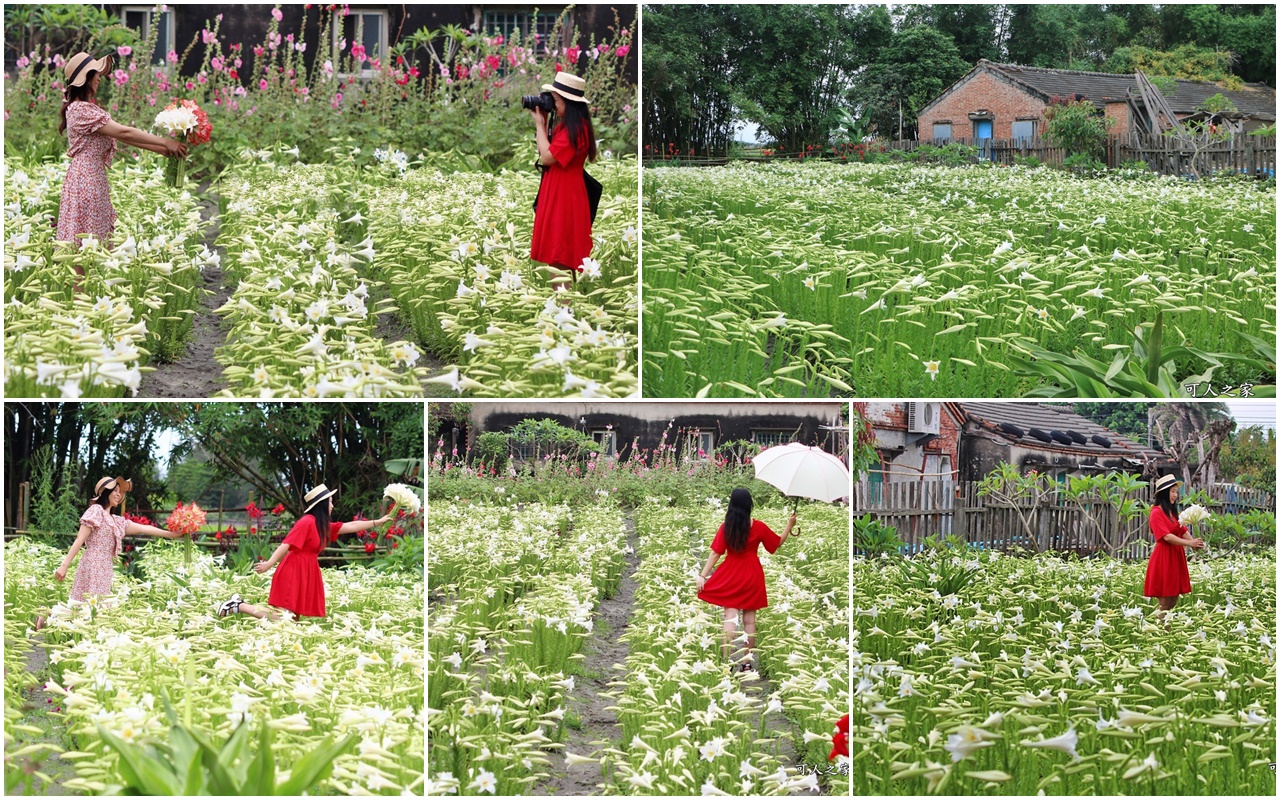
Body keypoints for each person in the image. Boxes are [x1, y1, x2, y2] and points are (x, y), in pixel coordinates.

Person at [56, 51, 187, 252]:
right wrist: (165, 142)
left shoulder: (81, 109)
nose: (100, 78)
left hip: (88, 177)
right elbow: (124, 132)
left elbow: (122, 136)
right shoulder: (82, 110)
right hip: (86, 180)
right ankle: (82, 285)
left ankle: (88, 284)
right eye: (96, 74)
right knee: (83, 245)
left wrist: (160, 149)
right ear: (86, 78)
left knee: (87, 244)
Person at [216, 484, 389, 621]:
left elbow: (350, 526)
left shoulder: (321, 526)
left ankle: (240, 607)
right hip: (293, 570)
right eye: (330, 502)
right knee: (285, 618)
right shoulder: (306, 522)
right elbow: (286, 544)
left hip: (306, 570)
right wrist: (269, 563)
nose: (332, 505)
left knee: (292, 619)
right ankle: (239, 606)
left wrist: (378, 522)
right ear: (322, 505)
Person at [40, 477, 189, 627]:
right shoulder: (95, 511)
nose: (119, 494)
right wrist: (64, 566)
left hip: (105, 566)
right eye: (115, 491)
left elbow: (143, 528)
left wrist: (170, 534)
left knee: (90, 607)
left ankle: (49, 615)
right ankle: (50, 616)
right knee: (88, 605)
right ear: (106, 493)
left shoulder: (116, 521)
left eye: (120, 492)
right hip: (93, 563)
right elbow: (79, 540)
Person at [696, 488, 796, 670]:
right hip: (752, 575)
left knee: (730, 617)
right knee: (750, 621)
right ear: (749, 505)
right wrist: (790, 525)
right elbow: (775, 545)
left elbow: (716, 554)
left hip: (731, 574)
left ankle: (726, 662)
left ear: (731, 505)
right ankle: (747, 663)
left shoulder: (726, 526)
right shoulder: (758, 526)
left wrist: (703, 575)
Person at [528, 71, 597, 275]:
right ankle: (564, 305)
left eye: (556, 100)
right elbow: (545, 151)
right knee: (556, 254)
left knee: (560, 256)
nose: (552, 104)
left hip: (565, 197)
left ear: (569, 102)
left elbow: (547, 158)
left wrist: (540, 123)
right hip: (560, 192)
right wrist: (543, 123)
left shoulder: (576, 130)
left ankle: (564, 306)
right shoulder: (569, 127)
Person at [1142, 474, 1204, 613]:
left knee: (1173, 601)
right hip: (1164, 558)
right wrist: (1190, 543)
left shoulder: (1173, 512)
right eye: (1172, 491)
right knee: (1164, 603)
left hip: (1175, 557)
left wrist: (1195, 543)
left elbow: (1182, 529)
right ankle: (1161, 632)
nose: (1175, 495)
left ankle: (1166, 632)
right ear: (1164, 493)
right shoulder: (1156, 512)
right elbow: (1167, 537)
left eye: (1176, 492)